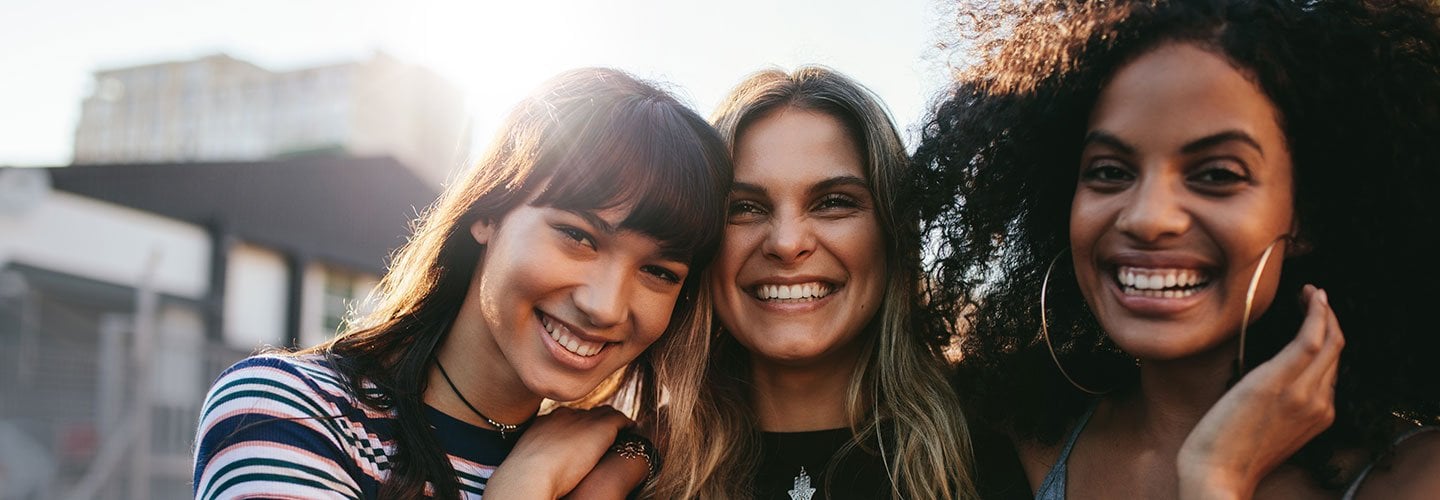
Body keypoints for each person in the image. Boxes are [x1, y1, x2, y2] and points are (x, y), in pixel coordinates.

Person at [914, 0, 1440, 497]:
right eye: (1110, 172)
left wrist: (1216, 478)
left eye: (1216, 174)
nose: (1147, 218)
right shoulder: (1007, 440)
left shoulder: (1416, 479)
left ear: (1307, 216)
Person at [191, 68, 730, 499]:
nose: (606, 306)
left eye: (659, 272)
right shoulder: (290, 410)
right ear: (488, 213)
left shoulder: (629, 467)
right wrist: (524, 488)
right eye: (578, 236)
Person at [643, 67, 976, 499]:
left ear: (894, 233)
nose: (786, 243)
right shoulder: (629, 469)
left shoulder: (1007, 447)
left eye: (833, 203)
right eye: (744, 208)